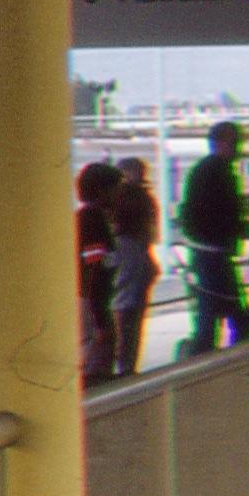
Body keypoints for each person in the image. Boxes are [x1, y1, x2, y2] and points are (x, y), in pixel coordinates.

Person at [177, 120, 249, 352]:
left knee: (211, 315)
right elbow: (224, 214)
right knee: (229, 315)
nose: (239, 148)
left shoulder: (200, 171)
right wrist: (243, 229)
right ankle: (230, 356)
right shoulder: (219, 173)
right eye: (235, 142)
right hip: (215, 256)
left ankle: (205, 355)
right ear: (220, 143)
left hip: (205, 254)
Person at [108, 158, 159, 375]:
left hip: (127, 265)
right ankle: (128, 368)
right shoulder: (145, 199)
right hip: (138, 264)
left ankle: (123, 368)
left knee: (122, 317)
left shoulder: (123, 199)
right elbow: (151, 233)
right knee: (132, 323)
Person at [75, 162, 120, 384]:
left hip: (91, 299)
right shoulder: (92, 220)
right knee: (96, 363)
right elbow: (95, 267)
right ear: (102, 190)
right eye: (115, 189)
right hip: (92, 301)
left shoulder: (88, 217)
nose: (118, 195)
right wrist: (101, 317)